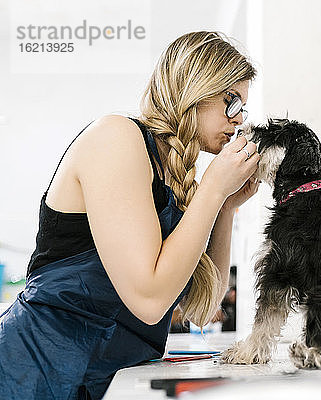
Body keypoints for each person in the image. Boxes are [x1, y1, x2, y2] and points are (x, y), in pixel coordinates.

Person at [0, 31, 260, 400]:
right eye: (230, 101)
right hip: (30, 372)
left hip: (102, 382)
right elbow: (149, 300)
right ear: (195, 86)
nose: (237, 121)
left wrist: (225, 206)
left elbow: (203, 308)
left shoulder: (175, 183)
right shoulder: (116, 138)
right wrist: (213, 190)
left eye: (242, 108)